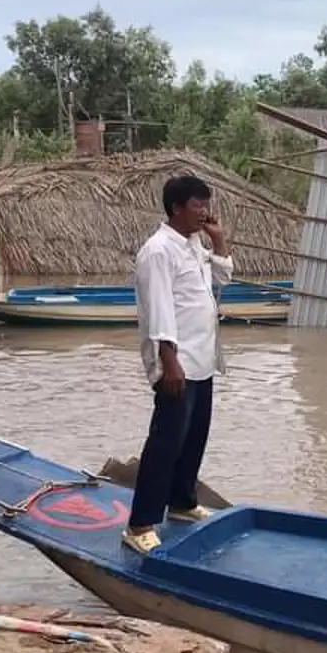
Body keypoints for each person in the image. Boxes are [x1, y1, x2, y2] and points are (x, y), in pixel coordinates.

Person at [124, 174, 233, 554]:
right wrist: (169, 361)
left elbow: (221, 278)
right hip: (178, 362)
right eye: (197, 205)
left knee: (193, 437)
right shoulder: (158, 251)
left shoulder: (194, 245)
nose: (204, 211)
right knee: (166, 443)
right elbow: (159, 309)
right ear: (176, 208)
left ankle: (183, 502)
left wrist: (217, 241)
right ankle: (139, 524)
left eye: (206, 204)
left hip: (202, 359)